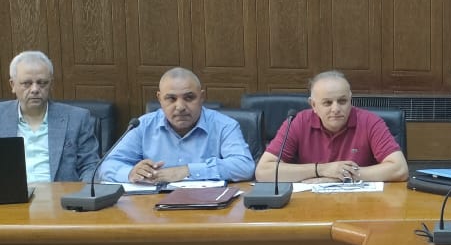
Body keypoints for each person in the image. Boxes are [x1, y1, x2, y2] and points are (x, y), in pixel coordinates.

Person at [99, 68, 254, 184]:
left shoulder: (224, 125)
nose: (180, 107)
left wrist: (187, 171)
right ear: (160, 99)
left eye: (189, 98)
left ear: (202, 97)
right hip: (151, 207)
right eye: (171, 99)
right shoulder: (143, 126)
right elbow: (106, 166)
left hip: (208, 207)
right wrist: (130, 173)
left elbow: (244, 166)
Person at [254, 71, 408, 183]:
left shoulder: (370, 122)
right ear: (313, 105)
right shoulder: (298, 122)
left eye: (342, 101)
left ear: (350, 100)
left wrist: (340, 176)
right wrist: (321, 170)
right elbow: (263, 171)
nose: (336, 109)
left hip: (360, 203)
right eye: (327, 103)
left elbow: (400, 169)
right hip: (309, 205)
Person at [0, 51, 100, 182]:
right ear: (13, 85)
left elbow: (90, 166)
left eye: (42, 83)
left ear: (51, 84)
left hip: (60, 193)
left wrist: (84, 192)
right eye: (27, 83)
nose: (35, 89)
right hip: (8, 193)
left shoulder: (77, 118)